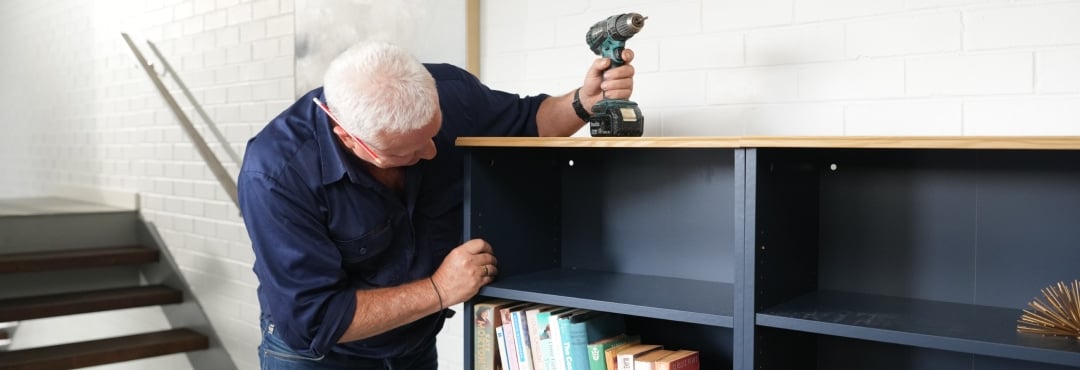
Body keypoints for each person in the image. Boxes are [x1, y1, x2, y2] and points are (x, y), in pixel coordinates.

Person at [237, 39, 636, 369]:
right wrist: (439, 290)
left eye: (434, 134)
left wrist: (584, 101)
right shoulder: (275, 176)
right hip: (321, 358)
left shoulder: (452, 91)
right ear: (350, 140)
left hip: (413, 347)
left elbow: (529, 121)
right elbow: (314, 318)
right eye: (409, 151)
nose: (431, 152)